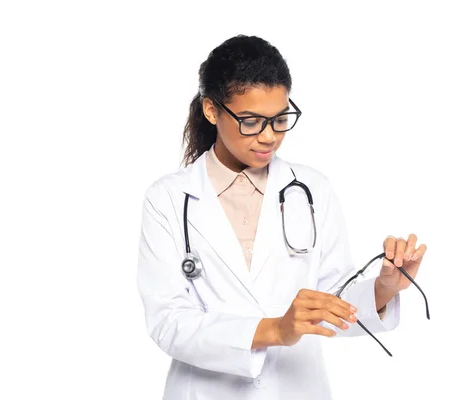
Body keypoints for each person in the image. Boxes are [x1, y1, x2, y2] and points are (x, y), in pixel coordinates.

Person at [136, 34, 427, 400]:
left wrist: (384, 288)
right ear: (212, 110)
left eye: (280, 118)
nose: (270, 136)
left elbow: (330, 297)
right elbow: (168, 322)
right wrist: (274, 330)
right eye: (251, 121)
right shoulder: (168, 199)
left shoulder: (313, 190)